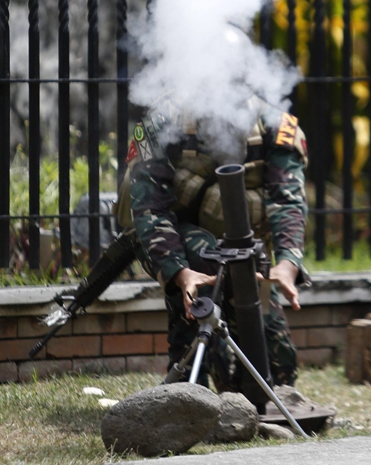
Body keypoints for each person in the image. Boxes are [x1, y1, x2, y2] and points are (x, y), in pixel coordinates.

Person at [119, 95, 308, 388]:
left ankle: (244, 392)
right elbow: (151, 208)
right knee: (203, 260)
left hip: (239, 247)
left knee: (279, 370)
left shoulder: (276, 128)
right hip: (167, 239)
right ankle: (189, 387)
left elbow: (288, 203)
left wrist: (287, 264)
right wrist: (179, 272)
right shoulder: (160, 124)